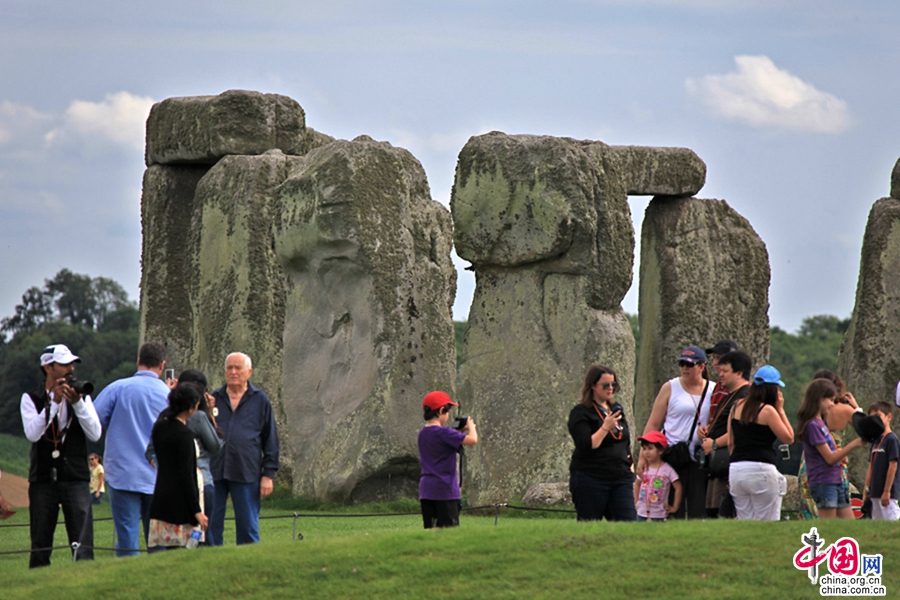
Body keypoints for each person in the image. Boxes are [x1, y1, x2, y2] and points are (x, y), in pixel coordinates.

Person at [20, 344, 102, 568]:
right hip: (43, 479)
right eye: (64, 364)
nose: (71, 369)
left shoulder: (81, 396)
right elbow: (33, 434)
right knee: (40, 543)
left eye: (72, 364)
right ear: (48, 367)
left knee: (83, 545)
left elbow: (95, 432)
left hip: (75, 477)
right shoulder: (31, 398)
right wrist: (54, 403)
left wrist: (78, 404)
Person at [93, 342, 170, 556]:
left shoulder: (118, 388)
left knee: (126, 538)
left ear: (138, 361)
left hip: (123, 473)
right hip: (158, 475)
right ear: (162, 365)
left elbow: (93, 421)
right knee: (158, 542)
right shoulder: (169, 395)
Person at [210, 352, 280, 545]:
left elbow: (270, 438)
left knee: (248, 526)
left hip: (246, 471)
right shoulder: (213, 399)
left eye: (237, 368)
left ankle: (248, 564)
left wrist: (268, 474)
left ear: (249, 372)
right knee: (211, 526)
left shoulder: (260, 400)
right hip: (215, 470)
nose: (233, 372)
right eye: (229, 368)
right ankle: (210, 565)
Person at [146, 369, 223, 544]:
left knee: (172, 543)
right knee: (200, 539)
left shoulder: (162, 422)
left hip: (164, 489)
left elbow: (150, 451)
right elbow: (214, 446)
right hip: (197, 486)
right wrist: (211, 415)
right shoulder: (191, 427)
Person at [642, 345, 713, 519]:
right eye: (682, 364)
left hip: (699, 456)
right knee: (673, 507)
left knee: (699, 508)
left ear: (702, 366)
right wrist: (643, 457)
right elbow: (653, 423)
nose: (684, 368)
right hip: (674, 454)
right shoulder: (671, 387)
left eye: (690, 364)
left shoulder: (713, 389)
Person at [568, 365, 636, 521]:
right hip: (591, 477)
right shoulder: (581, 413)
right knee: (590, 524)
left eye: (614, 385)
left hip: (620, 476)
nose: (610, 388)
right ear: (592, 386)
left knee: (629, 523)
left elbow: (624, 438)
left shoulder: (616, 409)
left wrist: (630, 462)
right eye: (606, 385)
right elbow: (587, 445)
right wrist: (605, 427)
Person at [727, 365, 794, 520]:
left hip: (737, 469)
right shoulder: (768, 411)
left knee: (745, 521)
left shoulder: (736, 406)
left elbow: (731, 442)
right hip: (761, 468)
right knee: (766, 522)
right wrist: (781, 410)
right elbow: (789, 437)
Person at [797, 378, 865, 519]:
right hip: (824, 482)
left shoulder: (821, 423)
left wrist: (840, 455)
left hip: (836, 480)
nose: (832, 405)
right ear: (820, 399)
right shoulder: (813, 426)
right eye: (830, 400)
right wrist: (853, 444)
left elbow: (832, 452)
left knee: (849, 527)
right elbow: (829, 458)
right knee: (828, 529)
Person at [699, 350, 752, 517]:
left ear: (739, 373)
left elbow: (739, 431)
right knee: (712, 509)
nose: (720, 374)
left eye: (725, 371)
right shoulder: (730, 395)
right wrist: (708, 429)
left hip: (728, 462)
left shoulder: (745, 397)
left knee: (723, 512)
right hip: (718, 464)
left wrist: (714, 443)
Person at [418, 390, 478, 528]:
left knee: (432, 529)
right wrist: (471, 427)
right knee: (449, 531)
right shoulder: (445, 433)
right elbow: (473, 440)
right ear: (441, 411)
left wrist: (456, 434)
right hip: (445, 490)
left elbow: (440, 443)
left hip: (427, 490)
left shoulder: (423, 433)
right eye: (447, 411)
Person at [634, 431, 681, 521]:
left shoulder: (667, 469)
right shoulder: (644, 468)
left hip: (659, 514)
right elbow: (637, 484)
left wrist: (675, 507)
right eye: (644, 448)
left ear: (660, 450)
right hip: (641, 512)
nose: (646, 452)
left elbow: (678, 487)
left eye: (650, 448)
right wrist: (636, 502)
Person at [863, 402, 899, 521]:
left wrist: (887, 491)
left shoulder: (891, 439)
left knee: (892, 520)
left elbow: (893, 465)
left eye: (878, 416)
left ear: (889, 417)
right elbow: (871, 466)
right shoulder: (875, 441)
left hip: (887, 493)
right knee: (877, 523)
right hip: (874, 491)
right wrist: (866, 489)